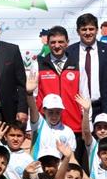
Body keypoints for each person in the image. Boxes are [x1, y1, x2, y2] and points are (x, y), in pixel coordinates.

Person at [35, 26, 83, 163]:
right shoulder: (38, 64)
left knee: (72, 170)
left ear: (67, 42)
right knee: (48, 170)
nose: (57, 46)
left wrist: (86, 122)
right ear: (47, 43)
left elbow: (84, 95)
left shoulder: (77, 64)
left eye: (61, 42)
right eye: (53, 42)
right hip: (47, 127)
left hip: (73, 125)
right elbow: (34, 95)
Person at [67, 13, 107, 117]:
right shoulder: (69, 52)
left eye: (91, 29)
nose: (88, 32)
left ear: (97, 30)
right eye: (84, 29)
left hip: (102, 107)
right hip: (77, 108)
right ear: (78, 31)